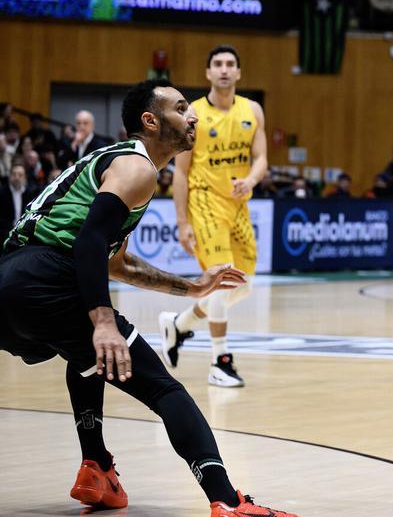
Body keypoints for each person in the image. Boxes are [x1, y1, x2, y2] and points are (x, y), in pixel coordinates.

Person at [0, 80, 295, 516]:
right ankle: (228, 502)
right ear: (151, 121)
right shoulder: (136, 168)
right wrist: (103, 320)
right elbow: (88, 244)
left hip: (10, 286)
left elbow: (117, 264)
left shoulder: (114, 165)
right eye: (181, 108)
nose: (193, 115)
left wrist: (193, 287)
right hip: (48, 274)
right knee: (164, 389)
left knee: (85, 357)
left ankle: (97, 466)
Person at [162, 46, 267, 389]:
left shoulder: (253, 110)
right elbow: (180, 172)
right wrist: (182, 222)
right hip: (204, 204)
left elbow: (262, 158)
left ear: (239, 72)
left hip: (238, 205)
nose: (224, 70)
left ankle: (178, 325)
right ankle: (220, 361)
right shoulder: (192, 113)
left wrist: (250, 180)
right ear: (208, 73)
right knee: (223, 280)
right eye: (217, 65)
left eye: (230, 64)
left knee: (244, 285)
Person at [1, 161, 36, 237]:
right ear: (9, 176)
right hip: (5, 232)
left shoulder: (30, 193)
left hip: (24, 232)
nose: (17, 178)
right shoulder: (2, 193)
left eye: (20, 175)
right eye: (14, 174)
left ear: (25, 177)